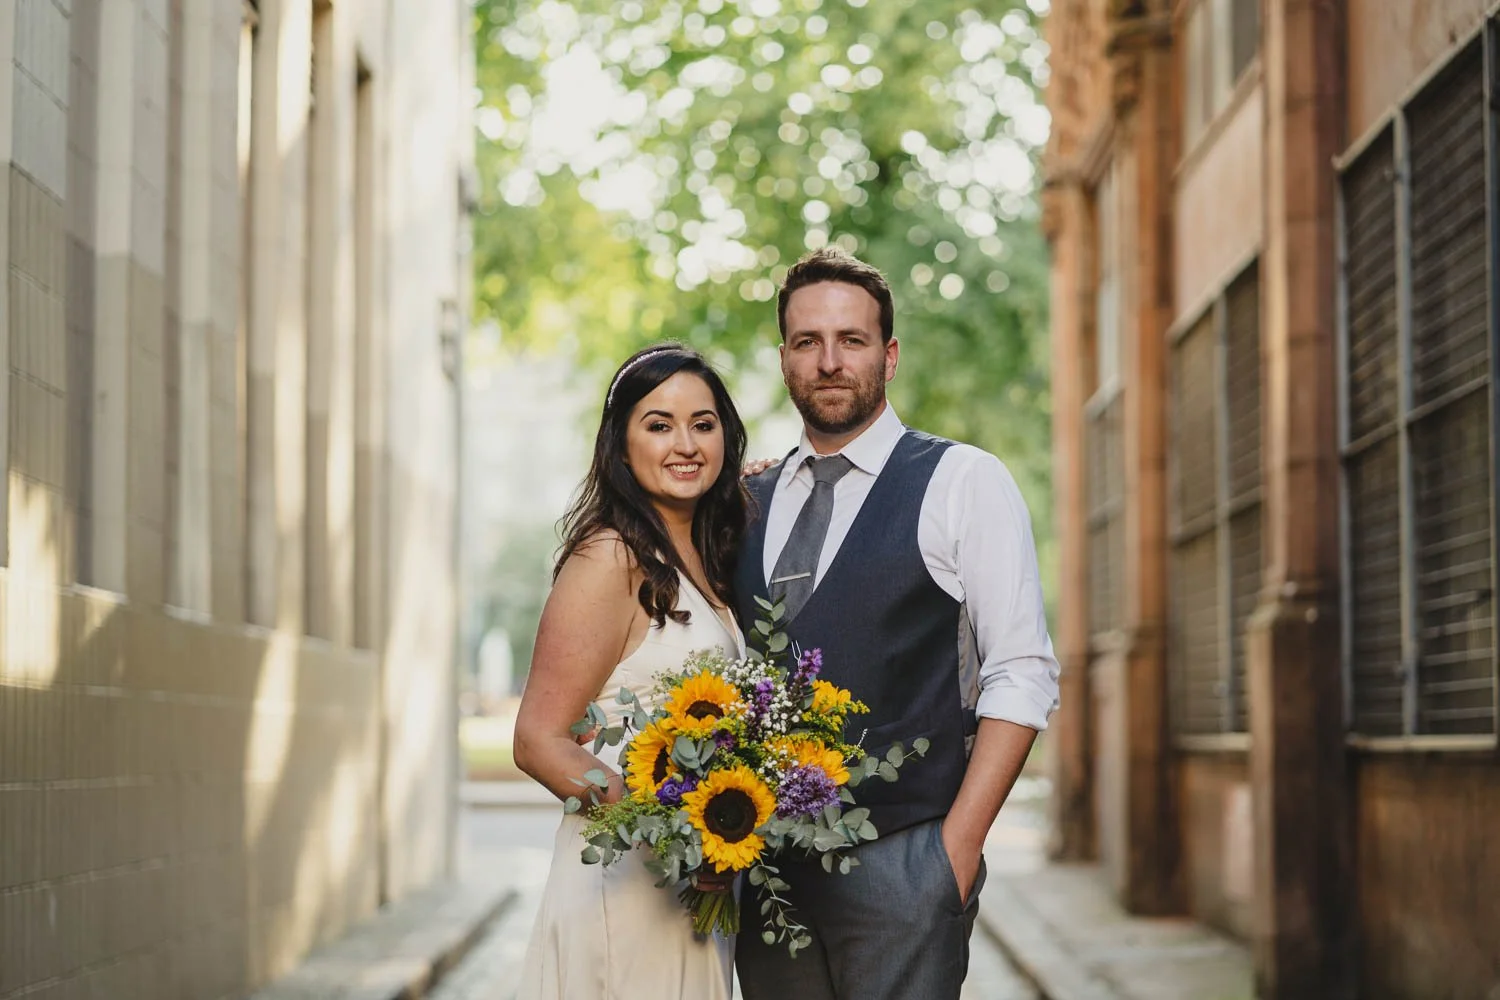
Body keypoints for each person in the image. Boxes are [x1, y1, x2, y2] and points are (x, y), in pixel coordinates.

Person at [733, 247, 1061, 1000]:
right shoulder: (747, 501)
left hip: (904, 863)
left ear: (890, 354)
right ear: (784, 357)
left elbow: (1021, 671)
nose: (829, 362)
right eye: (807, 342)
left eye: (851, 340)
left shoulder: (961, 481)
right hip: (764, 876)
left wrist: (954, 853)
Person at [514, 344, 750, 1000]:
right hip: (623, 889)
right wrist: (673, 831)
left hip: (696, 899)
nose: (685, 444)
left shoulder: (714, 562)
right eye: (659, 424)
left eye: (703, 425)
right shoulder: (610, 557)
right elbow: (538, 739)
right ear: (620, 446)